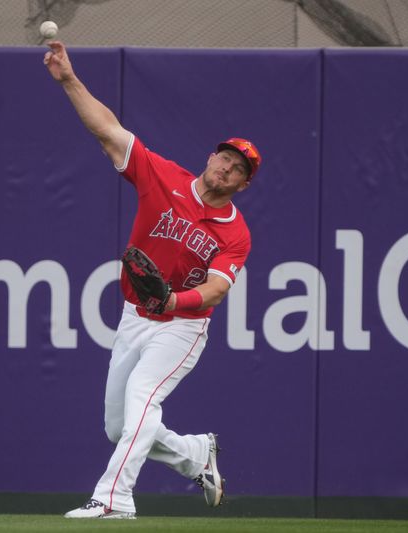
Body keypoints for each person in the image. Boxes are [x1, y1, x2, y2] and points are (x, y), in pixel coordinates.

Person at [44, 40, 261, 520]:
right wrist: (68, 79)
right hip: (134, 315)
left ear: (243, 185)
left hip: (182, 326)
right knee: (119, 424)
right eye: (226, 157)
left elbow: (218, 289)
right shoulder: (162, 176)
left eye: (239, 169)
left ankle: (114, 499)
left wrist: (174, 301)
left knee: (143, 397)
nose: (227, 167)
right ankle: (194, 455)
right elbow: (108, 132)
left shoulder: (236, 232)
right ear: (212, 156)